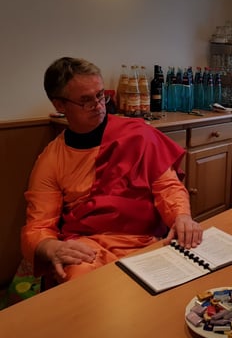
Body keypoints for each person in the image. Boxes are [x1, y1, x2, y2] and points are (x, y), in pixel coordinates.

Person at [21, 57, 203, 284]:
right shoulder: (51, 159)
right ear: (59, 105)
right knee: (80, 280)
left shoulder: (138, 134)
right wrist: (50, 247)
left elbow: (167, 186)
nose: (99, 106)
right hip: (90, 248)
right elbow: (38, 226)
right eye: (86, 101)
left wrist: (181, 217)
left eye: (100, 95)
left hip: (146, 240)